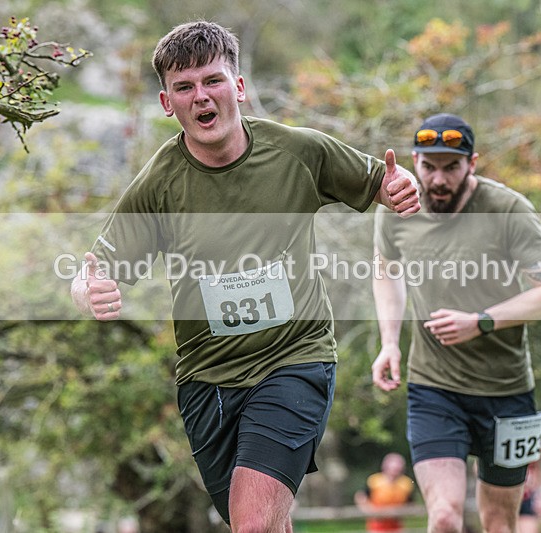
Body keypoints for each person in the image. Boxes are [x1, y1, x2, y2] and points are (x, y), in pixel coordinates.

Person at [70, 21, 420, 532]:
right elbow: (93, 273)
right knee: (255, 525)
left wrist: (401, 187)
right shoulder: (159, 186)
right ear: (168, 104)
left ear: (238, 87)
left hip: (294, 359)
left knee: (253, 523)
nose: (201, 97)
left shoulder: (299, 151)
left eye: (213, 81)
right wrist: (88, 292)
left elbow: (384, 183)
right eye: (184, 88)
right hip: (206, 379)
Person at [371, 113, 541, 533]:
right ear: (415, 160)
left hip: (508, 390)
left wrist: (481, 321)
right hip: (434, 388)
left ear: (472, 164)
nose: (438, 179)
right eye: (429, 167)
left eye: (451, 167)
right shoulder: (398, 206)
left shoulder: (508, 210)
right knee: (443, 516)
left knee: (499, 522)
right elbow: (386, 271)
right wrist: (390, 341)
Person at [354, 453, 416, 532]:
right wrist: (369, 511)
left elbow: (411, 504)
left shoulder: (407, 483)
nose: (394, 473)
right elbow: (360, 496)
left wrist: (400, 511)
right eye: (392, 469)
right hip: (377, 524)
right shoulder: (374, 480)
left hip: (396, 524)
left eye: (397, 469)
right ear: (385, 467)